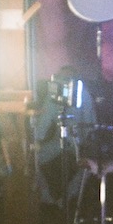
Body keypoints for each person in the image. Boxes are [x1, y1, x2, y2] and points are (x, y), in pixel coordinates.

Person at [32, 65, 97, 207]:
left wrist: (86, 146)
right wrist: (35, 142)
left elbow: (90, 125)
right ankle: (46, 198)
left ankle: (67, 200)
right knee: (32, 159)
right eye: (60, 78)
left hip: (79, 141)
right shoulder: (53, 95)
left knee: (88, 165)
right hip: (58, 141)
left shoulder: (83, 95)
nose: (64, 81)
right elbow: (43, 123)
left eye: (67, 78)